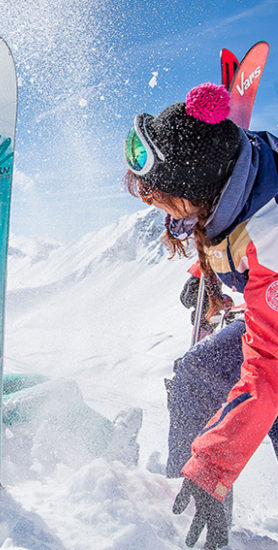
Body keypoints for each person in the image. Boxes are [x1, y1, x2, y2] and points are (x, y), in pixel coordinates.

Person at [123, 82, 278, 549]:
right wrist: (207, 268)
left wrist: (214, 465)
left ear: (195, 190)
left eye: (162, 200)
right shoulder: (232, 163)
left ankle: (207, 485)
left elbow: (268, 370)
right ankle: (188, 505)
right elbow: (223, 218)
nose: (158, 211)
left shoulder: (271, 237)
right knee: (198, 373)